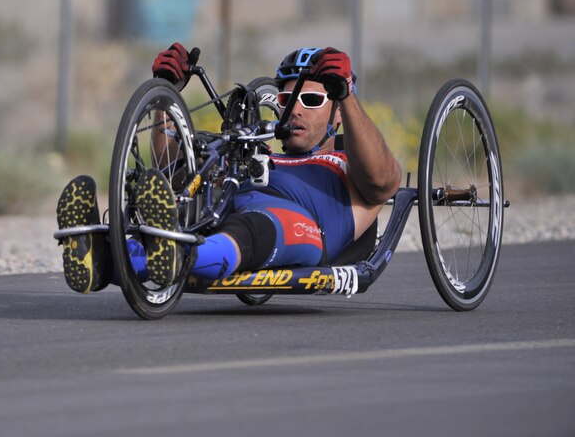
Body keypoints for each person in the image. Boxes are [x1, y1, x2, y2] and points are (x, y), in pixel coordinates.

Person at [56, 44, 401, 293]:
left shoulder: (348, 160)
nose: (295, 109)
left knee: (250, 226)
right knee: (194, 194)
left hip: (300, 228)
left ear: (337, 113)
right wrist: (165, 93)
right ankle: (101, 257)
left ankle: (158, 254)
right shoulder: (259, 150)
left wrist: (347, 93)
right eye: (286, 100)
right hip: (225, 211)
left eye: (310, 101)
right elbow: (174, 168)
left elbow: (383, 181)